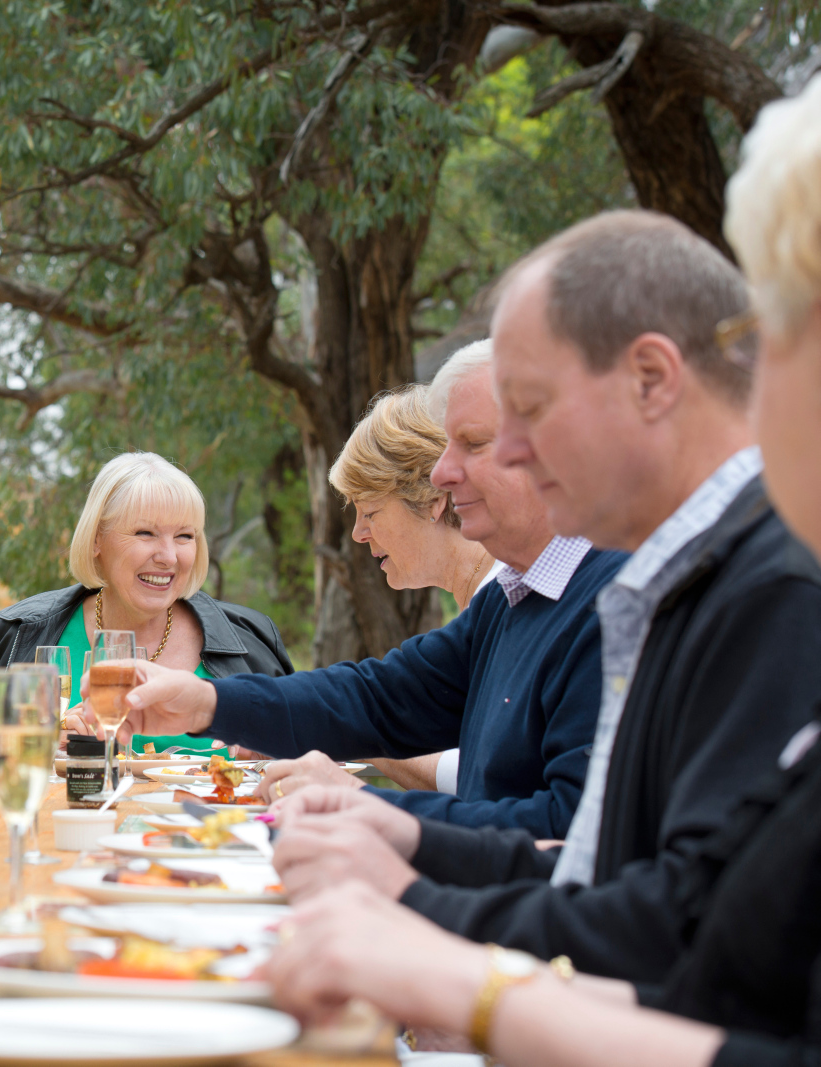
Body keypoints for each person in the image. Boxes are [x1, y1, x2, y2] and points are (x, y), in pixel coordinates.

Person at [264, 74, 821, 1067]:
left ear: (653, 376)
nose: (496, 458)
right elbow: (654, 893)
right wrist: (409, 852)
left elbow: (701, 959)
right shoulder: (684, 577)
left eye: (522, 411)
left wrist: (454, 963)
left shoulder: (773, 586)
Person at [103, 344, 625, 837]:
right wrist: (206, 702)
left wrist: (362, 803)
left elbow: (571, 831)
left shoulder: (614, 604)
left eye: (474, 444)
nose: (442, 473)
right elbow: (375, 697)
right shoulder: (511, 597)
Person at [0, 452, 293, 775]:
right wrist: (32, 756)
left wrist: (273, 756)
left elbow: (301, 778)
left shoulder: (254, 640)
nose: (169, 557)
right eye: (146, 533)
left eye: (185, 536)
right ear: (97, 539)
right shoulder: (19, 633)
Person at [313, 381, 502, 794]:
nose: (359, 534)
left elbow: (482, 774)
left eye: (371, 511)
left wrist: (354, 732)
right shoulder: (478, 606)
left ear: (433, 497)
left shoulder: (509, 605)